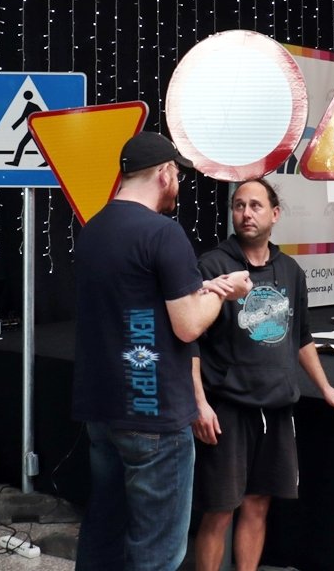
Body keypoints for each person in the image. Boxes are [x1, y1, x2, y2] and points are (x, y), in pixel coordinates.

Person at [72, 131, 253, 571]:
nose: (178, 185)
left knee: (105, 536)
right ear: (164, 174)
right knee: (157, 552)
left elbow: (136, 298)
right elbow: (188, 324)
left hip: (102, 409)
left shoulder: (94, 229)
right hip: (154, 414)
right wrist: (225, 292)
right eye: (177, 176)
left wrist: (199, 288)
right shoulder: (163, 233)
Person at [191, 177, 334, 571]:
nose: (246, 213)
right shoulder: (213, 266)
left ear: (275, 214)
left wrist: (325, 387)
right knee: (219, 511)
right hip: (228, 408)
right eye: (239, 205)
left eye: (255, 205)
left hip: (276, 408)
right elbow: (189, 341)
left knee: (257, 505)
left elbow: (301, 337)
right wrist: (198, 404)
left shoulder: (290, 270)